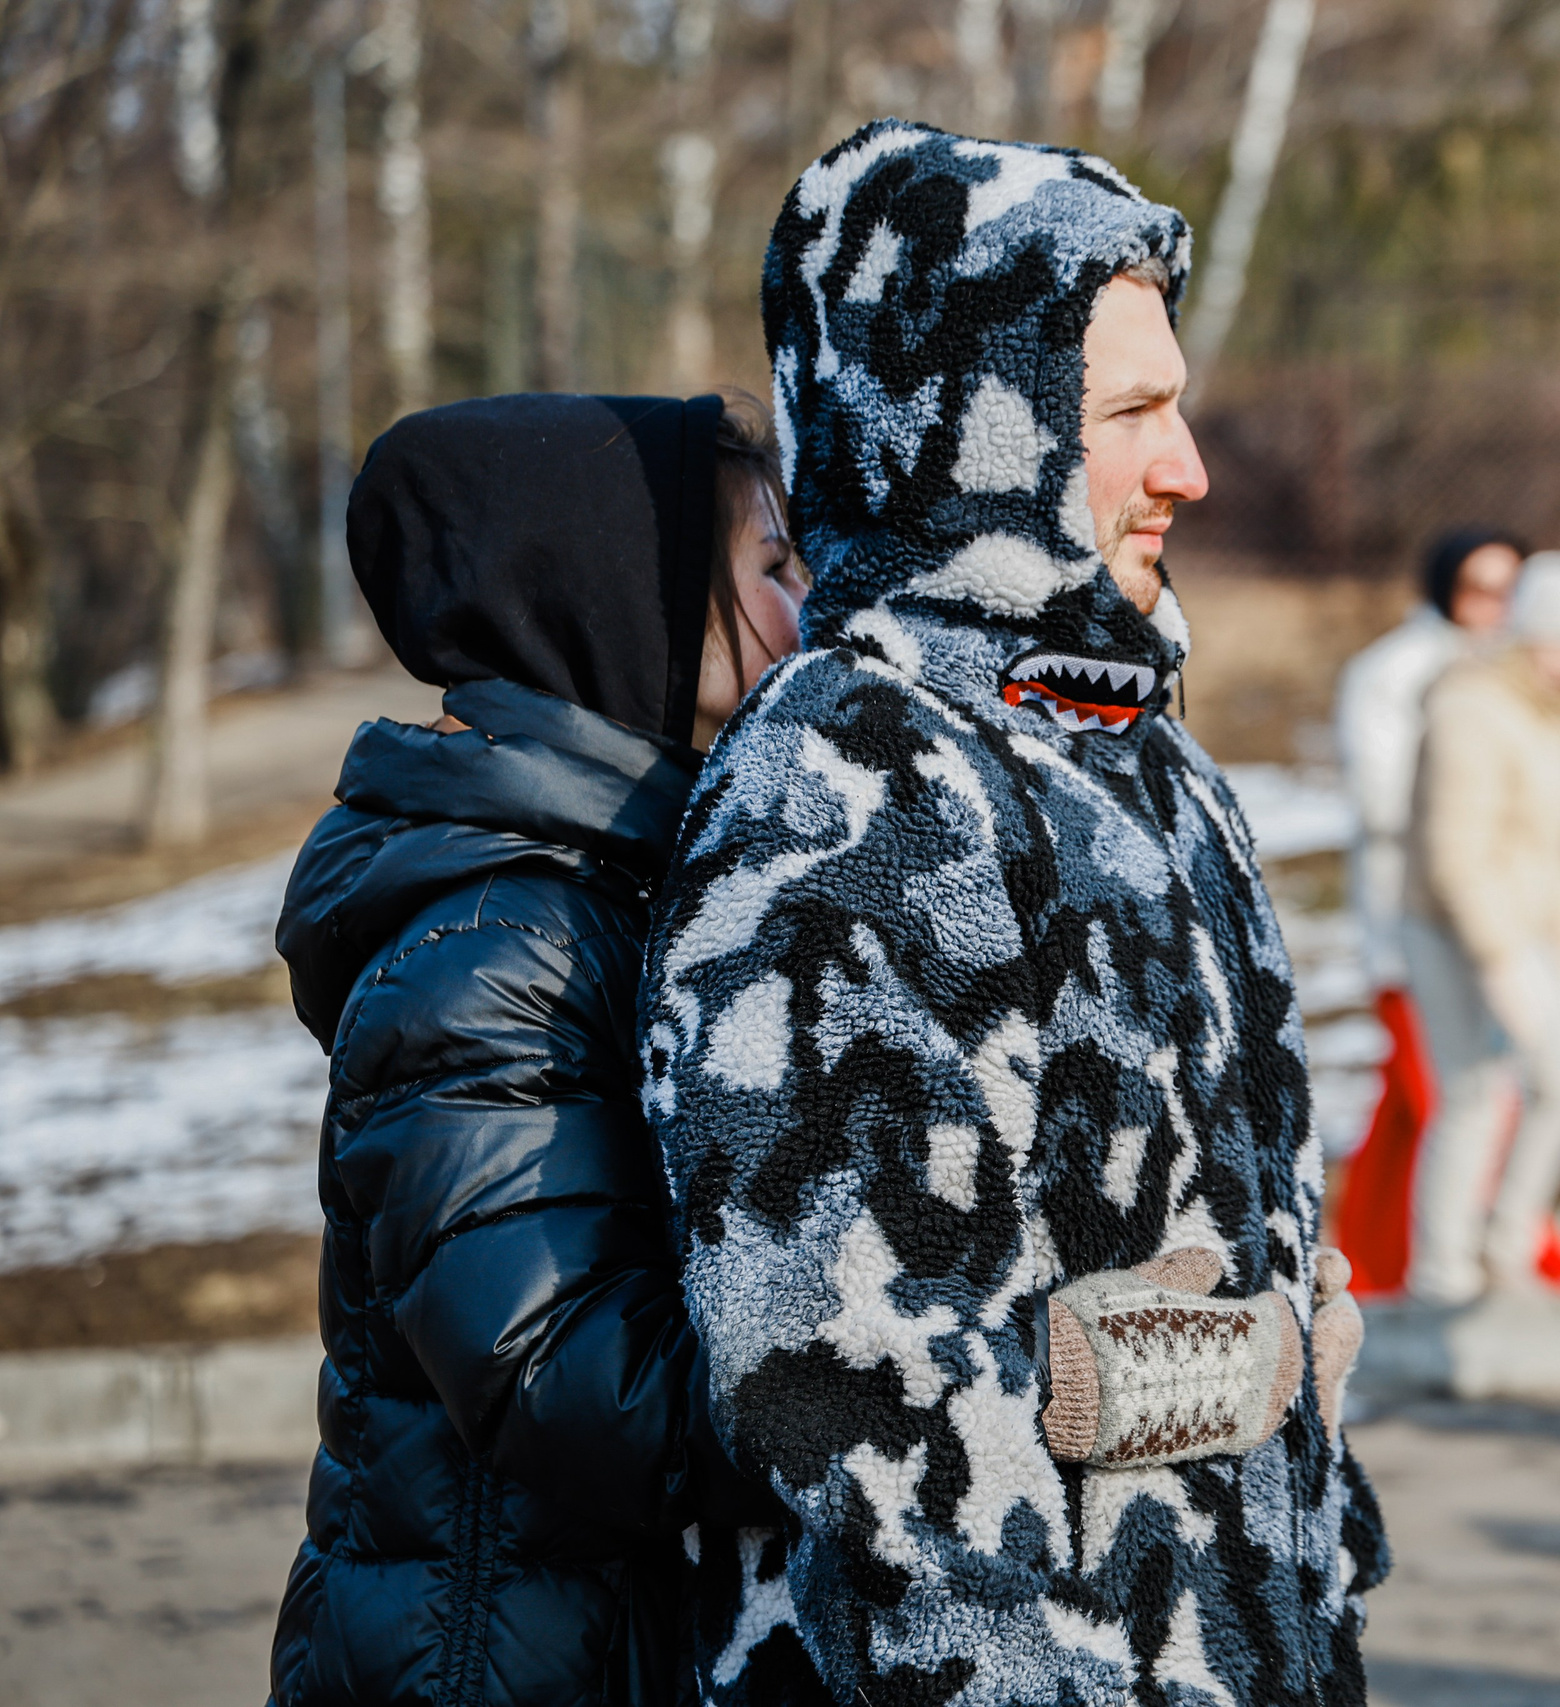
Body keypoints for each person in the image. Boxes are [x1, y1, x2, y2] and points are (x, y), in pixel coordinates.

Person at [637, 124, 1385, 1707]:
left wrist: (1318, 1551)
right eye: (1131, 415)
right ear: (973, 430)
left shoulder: (1136, 750)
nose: (1188, 466)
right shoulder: (852, 780)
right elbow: (853, 1384)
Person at [266, 390, 806, 1707]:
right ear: (626, 597)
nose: (811, 606)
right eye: (774, 566)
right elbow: (570, 1382)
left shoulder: (606, 886)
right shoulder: (497, 941)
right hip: (485, 1664)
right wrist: (897, 1366)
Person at [1401, 551, 1560, 1305]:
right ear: (1529, 635)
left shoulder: (1550, 711)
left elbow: (1549, 846)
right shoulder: (1471, 706)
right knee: (1470, 1094)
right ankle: (1444, 1272)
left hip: (1524, 924)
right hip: (1450, 927)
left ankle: (1510, 1238)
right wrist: (1500, 960)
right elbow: (1455, 855)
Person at [1329, 528, 1522, 1295]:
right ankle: (1495, 1247)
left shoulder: (1511, 668)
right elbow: (1388, 799)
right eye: (1481, 589)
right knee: (1453, 1087)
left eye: (1512, 591)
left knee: (1409, 1105)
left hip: (1493, 906)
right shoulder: (1392, 674)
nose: (1496, 609)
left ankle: (1369, 1259)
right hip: (1413, 913)